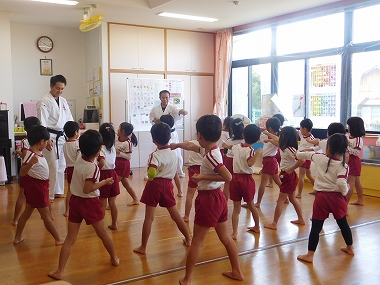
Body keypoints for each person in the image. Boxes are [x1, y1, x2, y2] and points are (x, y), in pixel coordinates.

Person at [172, 114, 244, 285]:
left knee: (197, 241)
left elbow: (228, 177)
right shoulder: (212, 149)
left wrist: (202, 175)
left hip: (209, 200)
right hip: (217, 198)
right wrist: (177, 145)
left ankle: (187, 279)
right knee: (225, 238)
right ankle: (237, 272)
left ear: (200, 136)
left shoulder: (212, 156)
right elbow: (192, 147)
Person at [48, 130, 119, 280]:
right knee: (102, 234)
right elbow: (88, 189)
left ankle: (60, 271)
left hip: (75, 201)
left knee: (70, 238)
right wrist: (105, 182)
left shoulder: (79, 159)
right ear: (99, 149)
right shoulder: (92, 168)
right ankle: (114, 258)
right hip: (90, 203)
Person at [133, 122, 191, 255]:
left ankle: (143, 247)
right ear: (170, 137)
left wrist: (150, 176)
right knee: (175, 215)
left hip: (155, 186)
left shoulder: (155, 155)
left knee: (149, 218)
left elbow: (152, 173)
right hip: (168, 185)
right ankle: (188, 239)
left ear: (153, 139)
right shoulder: (174, 153)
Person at [296, 134, 354, 263]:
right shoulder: (344, 166)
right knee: (343, 223)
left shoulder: (319, 158)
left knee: (316, 226)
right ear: (344, 150)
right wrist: (345, 191)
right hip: (337, 198)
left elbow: (305, 155)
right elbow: (340, 183)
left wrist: (297, 153)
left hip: (321, 197)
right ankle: (350, 247)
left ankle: (310, 255)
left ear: (328, 148)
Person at [13, 125, 65, 245]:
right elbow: (22, 172)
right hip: (37, 188)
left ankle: (17, 237)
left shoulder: (36, 152)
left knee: (27, 212)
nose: (47, 144)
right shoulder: (31, 156)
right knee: (45, 216)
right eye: (46, 141)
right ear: (41, 142)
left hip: (39, 186)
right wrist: (31, 163)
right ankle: (58, 238)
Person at [37, 74, 73, 201]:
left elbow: (69, 119)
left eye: (62, 89)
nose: (60, 91)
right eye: (58, 88)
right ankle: (49, 194)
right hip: (50, 137)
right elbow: (42, 123)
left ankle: (58, 191)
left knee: (62, 164)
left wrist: (72, 134)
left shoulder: (63, 101)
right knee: (52, 165)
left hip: (62, 136)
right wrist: (45, 139)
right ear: (51, 86)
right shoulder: (44, 101)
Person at [223, 124, 262, 239]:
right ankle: (257, 226)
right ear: (257, 139)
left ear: (243, 135)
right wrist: (258, 152)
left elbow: (229, 147)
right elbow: (250, 163)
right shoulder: (250, 150)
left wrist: (225, 144)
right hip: (246, 180)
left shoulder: (237, 146)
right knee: (251, 205)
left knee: (236, 208)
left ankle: (234, 233)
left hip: (234, 178)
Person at [264, 126, 305, 230]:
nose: (279, 136)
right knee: (292, 198)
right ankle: (301, 219)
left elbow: (302, 160)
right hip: (286, 175)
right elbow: (277, 139)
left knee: (280, 200)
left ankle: (274, 224)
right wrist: (268, 134)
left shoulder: (291, 149)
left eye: (281, 134)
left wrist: (291, 169)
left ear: (285, 136)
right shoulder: (284, 146)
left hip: (288, 176)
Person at [149, 90, 188, 178]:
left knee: (176, 153)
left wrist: (182, 111)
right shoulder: (155, 109)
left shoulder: (172, 107)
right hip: (160, 133)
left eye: (167, 97)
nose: (165, 99)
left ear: (169, 98)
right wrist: (159, 120)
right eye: (163, 97)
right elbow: (152, 118)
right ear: (160, 98)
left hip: (171, 133)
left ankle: (179, 172)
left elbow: (178, 110)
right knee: (156, 152)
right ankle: (156, 170)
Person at [12, 116, 41, 226]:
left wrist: (18, 152)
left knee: (22, 196)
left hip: (27, 170)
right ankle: (48, 216)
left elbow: (24, 156)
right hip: (37, 172)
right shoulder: (41, 141)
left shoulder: (25, 141)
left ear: (25, 128)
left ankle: (15, 220)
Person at [254, 117, 282, 208]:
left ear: (270, 128)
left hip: (270, 161)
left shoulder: (276, 137)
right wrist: (263, 131)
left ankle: (258, 202)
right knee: (278, 182)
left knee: (263, 182)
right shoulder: (266, 135)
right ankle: (285, 198)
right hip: (269, 161)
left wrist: (270, 139)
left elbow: (280, 144)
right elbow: (259, 135)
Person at [98, 123, 120, 230]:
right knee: (112, 203)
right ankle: (114, 224)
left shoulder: (101, 148)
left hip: (104, 176)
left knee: (102, 203)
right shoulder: (113, 148)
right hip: (113, 174)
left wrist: (97, 167)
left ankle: (100, 227)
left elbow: (101, 162)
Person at [115, 122, 139, 206]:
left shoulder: (128, 143)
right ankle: (135, 199)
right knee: (125, 183)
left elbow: (128, 157)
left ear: (123, 131)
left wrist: (119, 153)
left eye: (119, 128)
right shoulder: (116, 138)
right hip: (117, 163)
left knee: (114, 183)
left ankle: (111, 203)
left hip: (123, 164)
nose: (117, 129)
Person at [160, 114, 183, 197]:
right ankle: (180, 191)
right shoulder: (170, 133)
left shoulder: (168, 134)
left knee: (168, 176)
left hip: (167, 157)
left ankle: (178, 191)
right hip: (172, 156)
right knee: (175, 175)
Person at [222, 118, 245, 199]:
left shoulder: (229, 140)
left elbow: (225, 153)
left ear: (231, 129)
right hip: (241, 162)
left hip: (230, 161)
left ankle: (225, 202)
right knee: (241, 182)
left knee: (227, 182)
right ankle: (247, 201)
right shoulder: (245, 141)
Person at [345, 117, 366, 206]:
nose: (348, 127)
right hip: (348, 159)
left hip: (353, 161)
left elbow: (356, 152)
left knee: (350, 183)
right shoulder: (347, 136)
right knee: (356, 181)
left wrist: (346, 148)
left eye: (349, 125)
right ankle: (360, 200)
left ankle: (344, 205)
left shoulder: (358, 139)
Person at [182, 139, 203, 222]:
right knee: (204, 194)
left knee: (190, 194)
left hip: (194, 169)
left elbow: (185, 144)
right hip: (204, 169)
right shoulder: (208, 144)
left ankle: (186, 216)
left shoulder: (193, 143)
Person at [62, 121, 80, 217]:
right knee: (80, 189)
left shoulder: (65, 144)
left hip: (69, 169)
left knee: (70, 190)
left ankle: (67, 211)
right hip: (77, 169)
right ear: (75, 132)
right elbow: (79, 158)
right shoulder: (77, 144)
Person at [295, 118, 315, 198]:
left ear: (304, 129)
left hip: (305, 158)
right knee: (309, 175)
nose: (300, 129)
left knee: (302, 175)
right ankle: (317, 189)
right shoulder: (302, 135)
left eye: (300, 128)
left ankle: (299, 193)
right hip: (303, 157)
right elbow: (295, 131)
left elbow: (313, 149)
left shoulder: (311, 139)